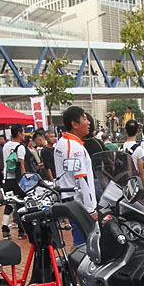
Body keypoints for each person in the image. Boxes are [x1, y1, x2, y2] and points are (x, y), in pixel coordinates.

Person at [54, 106, 97, 247]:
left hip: (70, 201)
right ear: (74, 124)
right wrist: (90, 210)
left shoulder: (62, 143)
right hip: (79, 205)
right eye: (84, 119)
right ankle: (72, 269)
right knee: (83, 247)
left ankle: (69, 268)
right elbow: (81, 179)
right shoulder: (74, 148)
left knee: (79, 243)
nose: (89, 122)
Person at [2, 124, 32, 239]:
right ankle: (22, 231)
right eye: (23, 132)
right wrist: (25, 180)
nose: (24, 134)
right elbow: (21, 166)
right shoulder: (20, 147)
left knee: (9, 204)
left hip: (7, 179)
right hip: (17, 180)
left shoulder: (6, 146)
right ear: (19, 133)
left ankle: (5, 229)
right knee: (21, 203)